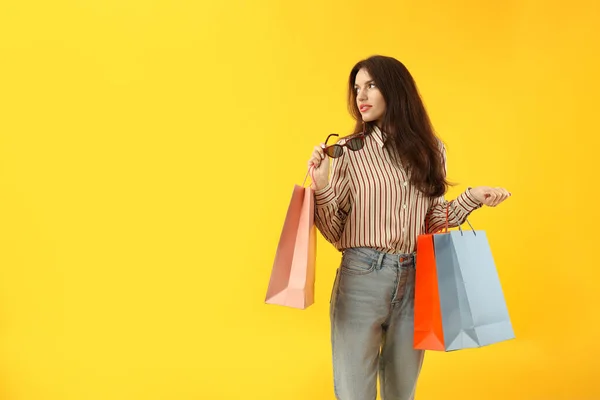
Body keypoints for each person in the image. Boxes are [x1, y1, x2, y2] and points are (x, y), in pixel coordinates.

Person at [307, 55, 511, 400]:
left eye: (371, 85)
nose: (361, 95)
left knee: (402, 393)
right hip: (361, 279)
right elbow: (334, 230)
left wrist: (472, 198)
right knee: (354, 392)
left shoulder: (431, 151)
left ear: (396, 90)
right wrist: (322, 185)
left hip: (414, 278)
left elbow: (430, 221)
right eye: (357, 88)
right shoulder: (344, 153)